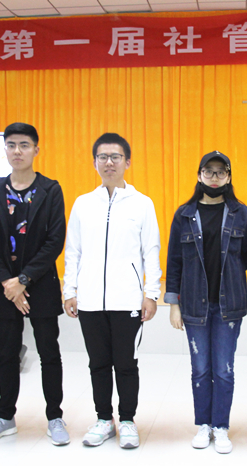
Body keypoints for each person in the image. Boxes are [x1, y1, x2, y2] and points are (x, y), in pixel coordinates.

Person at [63, 132, 161, 449]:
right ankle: (104, 419)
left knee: (126, 364)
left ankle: (128, 420)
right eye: (103, 157)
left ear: (127, 162)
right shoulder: (83, 204)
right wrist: (69, 290)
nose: (109, 162)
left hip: (128, 300)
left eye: (115, 157)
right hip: (90, 300)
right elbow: (73, 251)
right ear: (95, 162)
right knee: (98, 363)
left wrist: (151, 294)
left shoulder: (142, 204)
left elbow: (151, 251)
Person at [0, 123, 68, 445]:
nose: (18, 151)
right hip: (5, 288)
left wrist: (24, 280)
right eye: (12, 145)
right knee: (6, 355)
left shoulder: (50, 190)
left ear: (36, 150)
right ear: (5, 149)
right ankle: (5, 417)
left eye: (24, 145)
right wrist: (8, 282)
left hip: (40, 284)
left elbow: (54, 241)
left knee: (49, 353)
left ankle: (55, 417)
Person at [165, 151, 247, 454]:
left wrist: (229, 276)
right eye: (209, 171)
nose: (214, 177)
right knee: (201, 369)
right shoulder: (184, 214)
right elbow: (175, 261)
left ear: (228, 177)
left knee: (224, 369)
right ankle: (204, 424)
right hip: (194, 304)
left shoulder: (241, 213)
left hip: (228, 305)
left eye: (220, 172)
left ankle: (221, 426)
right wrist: (174, 303)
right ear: (199, 175)